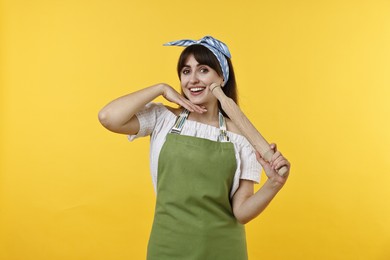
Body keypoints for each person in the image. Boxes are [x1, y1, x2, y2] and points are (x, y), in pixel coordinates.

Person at [98, 36, 290, 260]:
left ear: (222, 77)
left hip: (223, 251)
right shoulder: (164, 119)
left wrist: (275, 184)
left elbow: (241, 212)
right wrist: (160, 88)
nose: (193, 79)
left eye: (203, 70)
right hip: (168, 248)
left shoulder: (241, 135)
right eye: (186, 71)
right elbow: (108, 117)